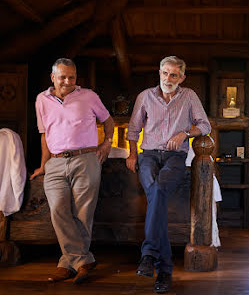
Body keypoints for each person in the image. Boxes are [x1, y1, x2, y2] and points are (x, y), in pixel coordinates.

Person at [126, 56, 211, 294]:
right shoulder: (145, 96)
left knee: (158, 190)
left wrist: (184, 133)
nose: (168, 78)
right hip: (148, 156)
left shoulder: (189, 96)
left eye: (174, 75)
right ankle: (164, 270)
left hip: (175, 157)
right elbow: (133, 129)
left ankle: (148, 255)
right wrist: (132, 155)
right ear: (159, 72)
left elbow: (205, 126)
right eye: (165, 73)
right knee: (157, 194)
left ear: (181, 78)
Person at [30, 58, 114, 283]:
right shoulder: (41, 99)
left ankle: (67, 262)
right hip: (55, 162)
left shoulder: (89, 96)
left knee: (83, 213)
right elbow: (44, 134)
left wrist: (106, 143)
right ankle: (83, 260)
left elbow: (108, 121)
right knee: (58, 209)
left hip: (86, 158)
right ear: (52, 77)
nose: (67, 81)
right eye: (63, 77)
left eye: (72, 77)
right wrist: (43, 164)